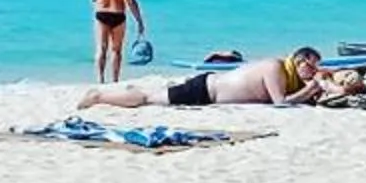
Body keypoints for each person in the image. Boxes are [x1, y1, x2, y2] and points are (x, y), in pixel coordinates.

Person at [80, 46, 320, 112]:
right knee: (147, 99)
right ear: (300, 62)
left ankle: (121, 91)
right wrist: (311, 89)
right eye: (311, 67)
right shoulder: (274, 67)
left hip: (209, 89)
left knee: (154, 97)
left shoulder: (286, 75)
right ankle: (100, 96)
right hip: (205, 90)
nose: (313, 72)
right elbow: (280, 102)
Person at [79, 0, 145, 84]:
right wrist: (139, 21)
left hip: (102, 14)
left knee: (101, 48)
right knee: (116, 50)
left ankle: (100, 79)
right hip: (118, 15)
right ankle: (115, 80)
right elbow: (131, 1)